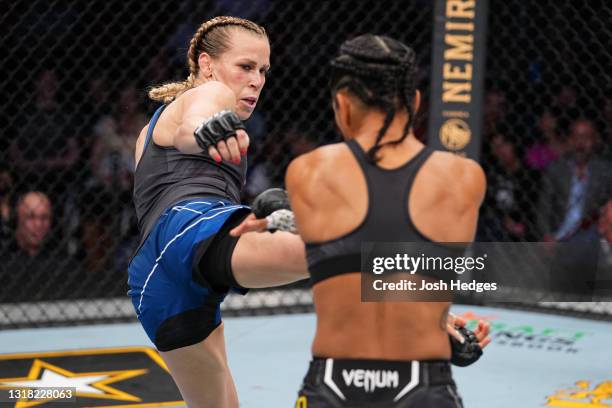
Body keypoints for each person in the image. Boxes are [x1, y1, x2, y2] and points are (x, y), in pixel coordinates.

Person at [283, 35, 490, 407]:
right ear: (414, 102)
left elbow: (346, 264)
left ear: (342, 105)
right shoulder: (463, 178)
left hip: (332, 385)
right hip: (424, 382)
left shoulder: (307, 173)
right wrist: (437, 327)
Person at [127, 16, 308, 408]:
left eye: (263, 70)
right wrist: (207, 129)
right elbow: (192, 126)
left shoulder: (155, 123)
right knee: (329, 249)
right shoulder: (209, 96)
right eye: (245, 67)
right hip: (185, 233)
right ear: (207, 65)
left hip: (157, 279)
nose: (257, 80)